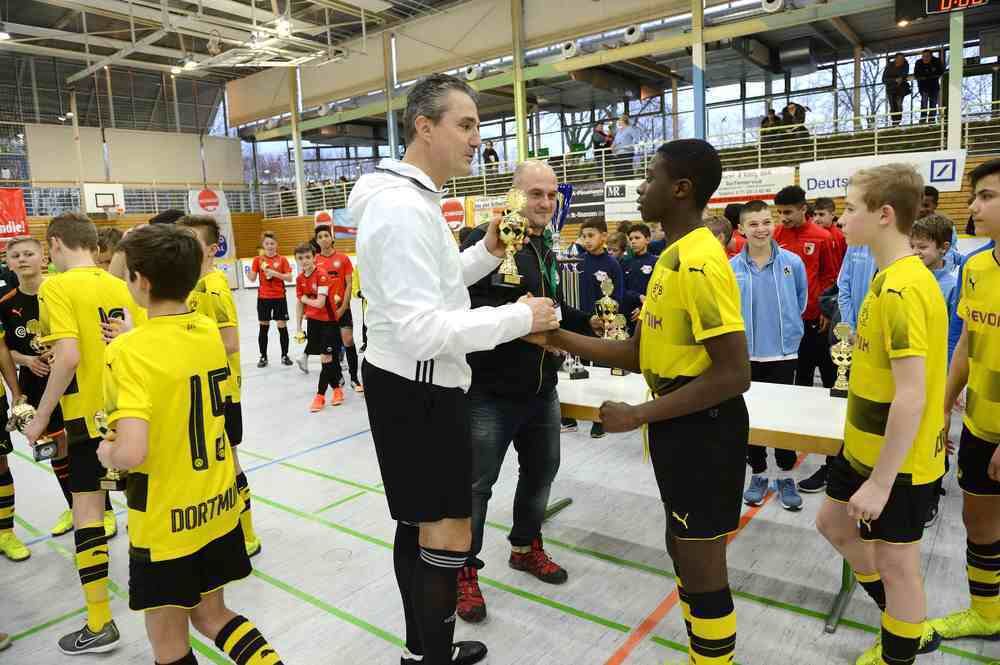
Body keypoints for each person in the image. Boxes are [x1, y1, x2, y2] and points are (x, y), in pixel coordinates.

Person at [349, 73, 559, 665]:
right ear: (424, 126)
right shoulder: (401, 209)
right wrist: (519, 318)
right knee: (446, 534)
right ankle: (431, 656)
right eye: (465, 126)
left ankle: (424, 651)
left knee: (421, 528)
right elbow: (421, 330)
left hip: (417, 384)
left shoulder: (414, 201)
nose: (475, 140)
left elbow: (437, 291)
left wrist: (485, 254)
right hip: (419, 388)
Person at [530, 139, 750, 665]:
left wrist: (638, 414)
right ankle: (704, 652)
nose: (640, 187)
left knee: (701, 557)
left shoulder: (699, 261)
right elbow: (637, 352)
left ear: (681, 189)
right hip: (678, 420)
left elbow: (733, 374)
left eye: (650, 177)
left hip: (704, 424)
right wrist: (552, 335)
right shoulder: (671, 257)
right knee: (681, 544)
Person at [98, 224, 283, 665]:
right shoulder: (203, 329)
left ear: (140, 281)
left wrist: (107, 453)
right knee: (213, 614)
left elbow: (131, 453)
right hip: (216, 504)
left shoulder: (128, 352)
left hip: (165, 519)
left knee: (167, 639)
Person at [815, 163, 947, 665]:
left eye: (849, 209)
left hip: (900, 465)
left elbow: (911, 396)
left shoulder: (904, 289)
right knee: (834, 524)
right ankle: (902, 625)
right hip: (862, 450)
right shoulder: (883, 277)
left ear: (884, 215)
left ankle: (901, 648)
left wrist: (882, 481)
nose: (841, 220)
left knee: (898, 564)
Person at [457, 160, 598, 624]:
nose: (544, 203)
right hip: (488, 392)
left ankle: (524, 546)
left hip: (542, 389)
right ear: (513, 194)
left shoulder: (544, 247)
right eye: (535, 193)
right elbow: (463, 307)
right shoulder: (482, 242)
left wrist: (588, 322)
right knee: (477, 486)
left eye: (551, 195)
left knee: (542, 472)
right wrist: (514, 321)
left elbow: (549, 305)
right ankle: (462, 572)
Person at [25, 212, 144, 655]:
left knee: (89, 513)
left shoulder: (55, 286)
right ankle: (169, 603)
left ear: (54, 245)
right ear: (94, 245)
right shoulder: (120, 285)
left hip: (86, 420)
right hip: (130, 414)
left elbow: (69, 356)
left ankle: (99, 622)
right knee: (142, 509)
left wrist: (40, 415)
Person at [929, 158, 1000, 643]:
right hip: (979, 423)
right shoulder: (975, 267)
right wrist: (942, 406)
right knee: (978, 522)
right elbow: (967, 345)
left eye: (988, 196)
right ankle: (986, 614)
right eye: (976, 196)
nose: (974, 207)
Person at [0, 237, 105, 543]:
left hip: (72, 380)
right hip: (36, 384)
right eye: (16, 255)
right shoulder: (6, 304)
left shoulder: (59, 290)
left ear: (43, 257)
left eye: (29, 253)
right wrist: (27, 360)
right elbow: (6, 350)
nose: (22, 259)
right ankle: (75, 507)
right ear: (8, 262)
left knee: (86, 444)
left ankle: (104, 509)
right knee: (56, 450)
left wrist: (59, 352)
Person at [178, 216, 260, 559]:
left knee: (230, 461)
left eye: (191, 240)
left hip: (222, 393)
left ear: (212, 249)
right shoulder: (190, 285)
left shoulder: (214, 285)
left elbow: (229, 343)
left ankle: (247, 532)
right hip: (200, 392)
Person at [731, 201, 808, 511]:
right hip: (746, 356)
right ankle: (760, 473)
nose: (761, 228)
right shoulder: (731, 268)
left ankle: (785, 475)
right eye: (753, 224)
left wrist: (789, 329)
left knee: (783, 417)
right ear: (741, 230)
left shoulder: (793, 263)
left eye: (766, 222)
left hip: (783, 354)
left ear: (773, 223)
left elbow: (800, 300)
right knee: (752, 419)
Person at [563, 218, 624, 439]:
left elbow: (617, 296)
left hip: (603, 326)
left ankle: (599, 419)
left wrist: (608, 320)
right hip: (582, 322)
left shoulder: (612, 264)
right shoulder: (578, 263)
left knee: (600, 375)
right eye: (584, 236)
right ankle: (569, 416)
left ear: (604, 236)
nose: (587, 240)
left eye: (592, 235)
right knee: (575, 368)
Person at [293, 242, 344, 410]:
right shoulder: (300, 279)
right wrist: (299, 327)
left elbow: (320, 303)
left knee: (326, 358)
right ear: (296, 260)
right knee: (327, 361)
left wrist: (306, 299)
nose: (304, 261)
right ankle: (337, 389)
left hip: (329, 322)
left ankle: (320, 396)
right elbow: (299, 304)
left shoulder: (321, 275)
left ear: (314, 257)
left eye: (307, 257)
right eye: (300, 258)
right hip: (313, 323)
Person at [312, 224, 361, 391]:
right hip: (325, 312)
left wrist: (344, 306)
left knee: (348, 340)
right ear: (317, 241)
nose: (323, 239)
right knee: (331, 344)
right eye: (320, 237)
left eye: (326, 235)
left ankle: (354, 378)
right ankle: (338, 375)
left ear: (332, 238)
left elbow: (349, 284)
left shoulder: (344, 258)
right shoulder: (315, 261)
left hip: (342, 308)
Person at [247, 231, 292, 368]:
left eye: (272, 243)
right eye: (267, 243)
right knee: (263, 328)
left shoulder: (282, 260)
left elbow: (289, 277)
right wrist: (249, 272)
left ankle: (284, 355)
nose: (270, 246)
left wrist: (275, 273)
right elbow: (252, 278)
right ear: (263, 245)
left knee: (282, 327)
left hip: (279, 297)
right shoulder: (257, 260)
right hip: (263, 298)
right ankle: (263, 356)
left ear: (276, 244)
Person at [623, 223, 658, 330]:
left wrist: (643, 308)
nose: (633, 241)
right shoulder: (624, 262)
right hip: (628, 315)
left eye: (637, 238)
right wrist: (638, 296)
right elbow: (622, 289)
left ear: (647, 239)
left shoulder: (656, 262)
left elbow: (657, 290)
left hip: (649, 314)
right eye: (631, 239)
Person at [919, 186, 962, 270]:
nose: (921, 209)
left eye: (926, 205)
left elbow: (951, 252)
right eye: (918, 204)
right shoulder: (907, 225)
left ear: (935, 205)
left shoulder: (947, 226)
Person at [814, 197, 846, 273]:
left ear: (832, 215)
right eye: (815, 214)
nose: (816, 219)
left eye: (821, 214)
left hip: (835, 280)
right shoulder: (812, 235)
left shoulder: (841, 236)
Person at [913, 50, 945, 124]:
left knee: (933, 103)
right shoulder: (919, 62)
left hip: (934, 86)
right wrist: (928, 75)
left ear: (931, 56)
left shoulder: (936, 61)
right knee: (924, 102)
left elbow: (940, 72)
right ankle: (923, 119)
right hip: (923, 86)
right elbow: (916, 74)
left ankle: (931, 120)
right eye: (924, 56)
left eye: (927, 56)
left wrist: (927, 75)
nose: (925, 58)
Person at [883, 53, 911, 127]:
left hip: (901, 89)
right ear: (895, 59)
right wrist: (895, 80)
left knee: (898, 105)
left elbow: (904, 75)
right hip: (890, 90)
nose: (900, 61)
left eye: (902, 59)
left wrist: (900, 79)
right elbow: (884, 79)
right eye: (899, 59)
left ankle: (897, 122)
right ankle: (894, 122)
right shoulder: (889, 66)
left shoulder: (905, 65)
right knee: (893, 107)